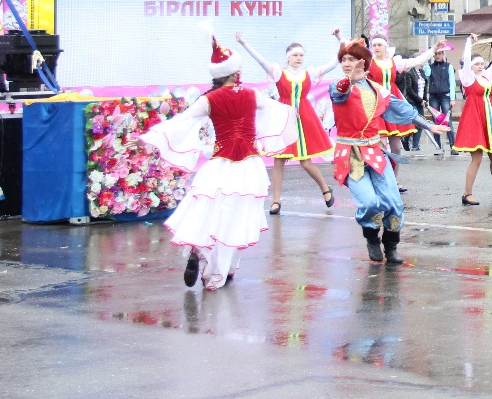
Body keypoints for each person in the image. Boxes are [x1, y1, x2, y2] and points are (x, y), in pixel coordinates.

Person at [139, 24, 297, 290]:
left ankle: (202, 253)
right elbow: (278, 110)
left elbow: (180, 121)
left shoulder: (209, 99)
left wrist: (148, 137)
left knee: (210, 212)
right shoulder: (251, 94)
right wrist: (295, 113)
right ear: (235, 72)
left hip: (220, 164)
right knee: (237, 217)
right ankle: (220, 272)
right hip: (248, 165)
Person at [329, 37, 446, 264]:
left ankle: (391, 246)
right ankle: (372, 237)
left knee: (394, 204)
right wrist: (348, 79)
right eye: (343, 59)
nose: (346, 63)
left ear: (363, 62)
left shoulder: (378, 90)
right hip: (349, 155)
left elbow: (404, 110)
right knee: (369, 203)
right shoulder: (338, 85)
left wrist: (429, 125)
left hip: (374, 151)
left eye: (351, 59)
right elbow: (339, 92)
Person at [236, 30, 339, 215]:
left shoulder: (309, 73)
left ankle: (325, 189)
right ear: (288, 57)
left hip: (303, 117)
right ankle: (276, 201)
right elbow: (260, 61)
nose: (299, 58)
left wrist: (340, 40)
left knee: (305, 161)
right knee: (279, 160)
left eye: (301, 55)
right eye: (295, 55)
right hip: (283, 117)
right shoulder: (278, 72)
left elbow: (334, 62)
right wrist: (244, 43)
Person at [455, 34, 492, 205]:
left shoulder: (487, 76)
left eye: (481, 63)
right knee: (477, 158)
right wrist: (469, 43)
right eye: (477, 64)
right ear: (470, 67)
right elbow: (466, 59)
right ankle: (467, 194)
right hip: (475, 118)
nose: (480, 66)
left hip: (490, 116)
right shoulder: (468, 78)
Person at [366, 37, 436, 180]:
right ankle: (382, 180)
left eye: (379, 44)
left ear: (385, 46)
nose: (377, 47)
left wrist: (433, 49)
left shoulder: (394, 62)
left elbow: (417, 61)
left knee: (396, 148)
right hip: (376, 103)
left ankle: (395, 180)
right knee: (382, 147)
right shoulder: (368, 63)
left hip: (392, 104)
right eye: (374, 45)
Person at [425, 43, 458, 155]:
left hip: (445, 96)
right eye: (436, 54)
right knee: (436, 122)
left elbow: (452, 83)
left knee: (447, 121)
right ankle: (438, 147)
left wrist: (452, 98)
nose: (438, 56)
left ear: (443, 54)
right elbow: (427, 75)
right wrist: (426, 61)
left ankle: (453, 146)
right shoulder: (430, 67)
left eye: (439, 54)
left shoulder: (448, 66)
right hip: (434, 96)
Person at [395, 64, 426, 152]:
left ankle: (415, 146)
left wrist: (424, 99)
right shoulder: (409, 73)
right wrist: (420, 100)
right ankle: (406, 139)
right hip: (412, 101)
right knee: (414, 122)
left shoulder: (422, 73)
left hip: (420, 102)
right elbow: (409, 89)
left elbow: (424, 87)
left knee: (421, 124)